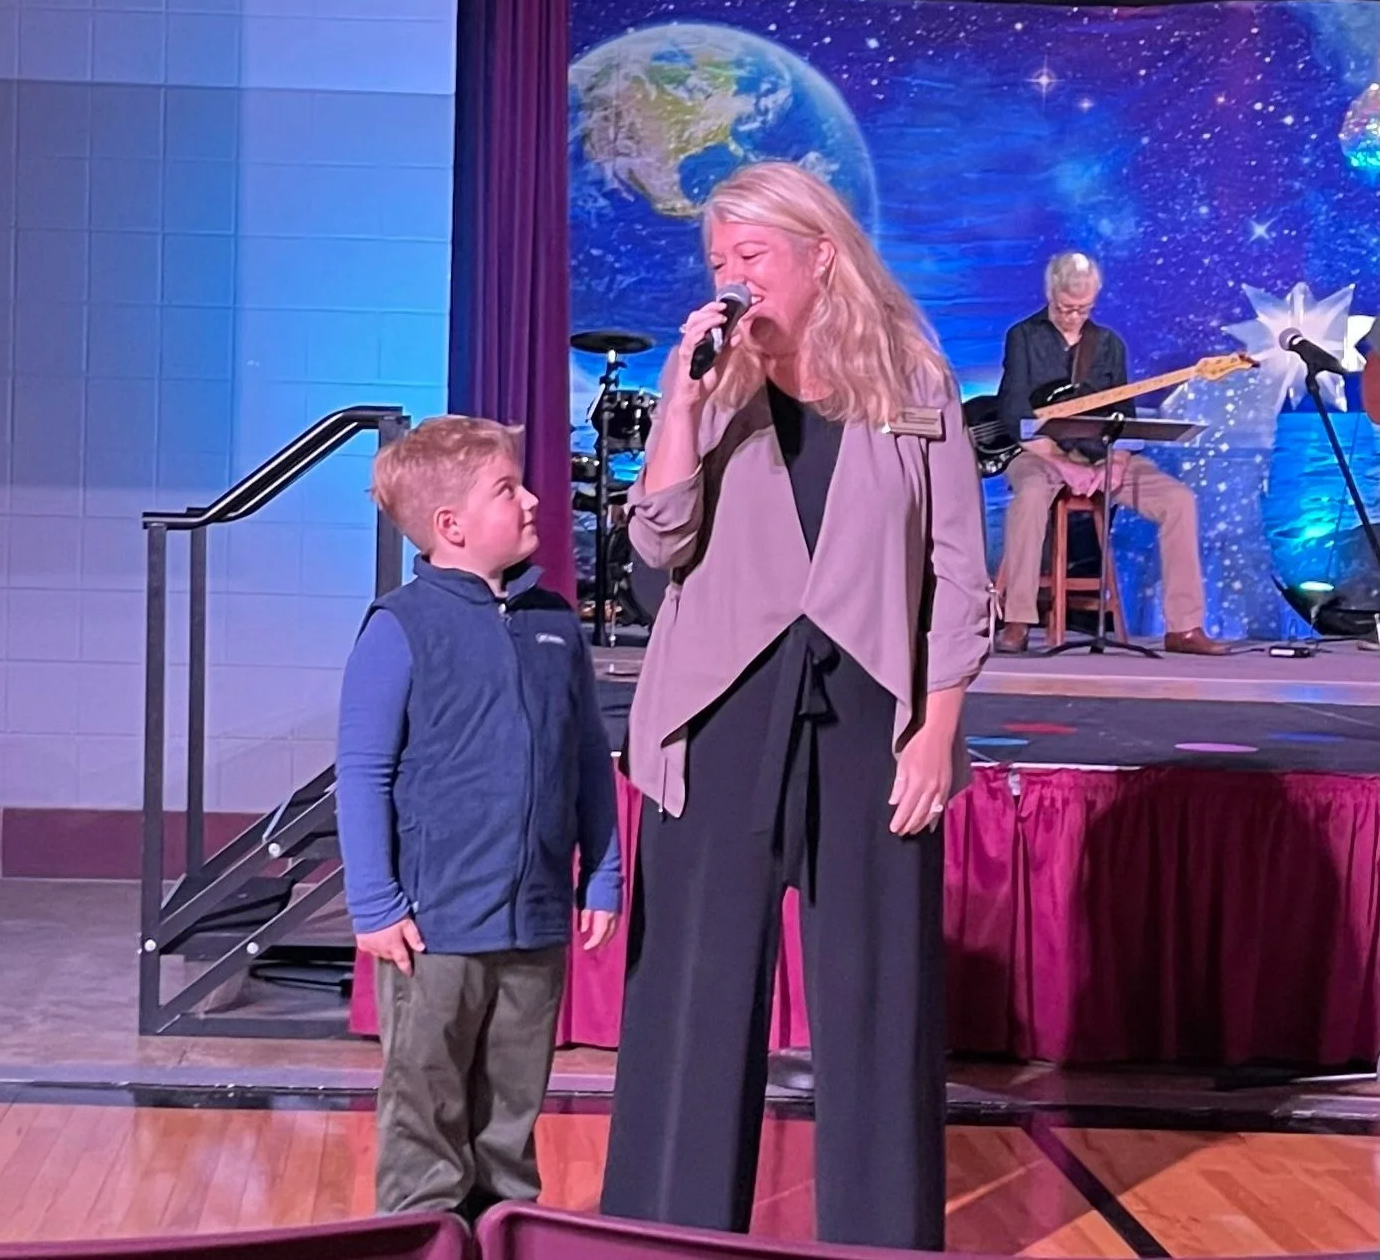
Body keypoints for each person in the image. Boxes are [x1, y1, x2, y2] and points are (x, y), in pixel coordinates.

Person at [599, 161, 993, 1250]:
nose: (732, 276)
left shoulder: (911, 378)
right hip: (719, 707)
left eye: (752, 254)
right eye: (718, 259)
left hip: (869, 706)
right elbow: (656, 544)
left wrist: (938, 729)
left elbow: (958, 568)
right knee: (695, 993)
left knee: (878, 995)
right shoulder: (715, 383)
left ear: (820, 255)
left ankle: (880, 1238)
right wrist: (681, 403)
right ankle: (666, 1237)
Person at [335, 415, 622, 1221]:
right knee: (425, 1116)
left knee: (509, 1123)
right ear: (451, 525)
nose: (532, 500)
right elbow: (362, 772)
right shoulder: (400, 626)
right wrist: (375, 905)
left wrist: (602, 876)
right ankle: (423, 1237)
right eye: (507, 489)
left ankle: (503, 1234)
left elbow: (586, 757)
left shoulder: (554, 621)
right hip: (434, 931)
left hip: (534, 923)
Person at [994, 251, 1228, 655]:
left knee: (1178, 501)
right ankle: (1017, 620)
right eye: (1065, 308)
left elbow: (1126, 417)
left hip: (1101, 453)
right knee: (1029, 497)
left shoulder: (1108, 344)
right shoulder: (1023, 337)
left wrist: (1116, 464)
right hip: (1040, 453)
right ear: (1050, 294)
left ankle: (1184, 627)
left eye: (1083, 309)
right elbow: (1014, 414)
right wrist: (1062, 464)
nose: (1073, 317)